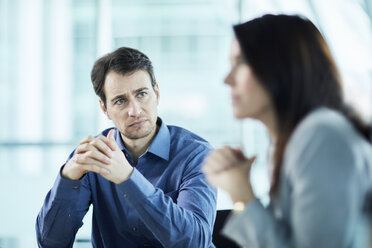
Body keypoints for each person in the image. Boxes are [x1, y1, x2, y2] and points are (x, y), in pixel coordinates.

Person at [202, 14, 372, 248]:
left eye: (241, 62)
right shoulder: (292, 141)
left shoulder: (319, 135)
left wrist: (241, 192)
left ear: (280, 66)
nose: (227, 80)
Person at [36, 47, 217, 248]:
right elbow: (51, 243)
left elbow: (195, 242)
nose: (135, 110)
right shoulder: (96, 154)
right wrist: (69, 177)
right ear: (105, 108)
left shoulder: (196, 155)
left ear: (156, 94)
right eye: (120, 101)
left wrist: (128, 178)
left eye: (141, 94)